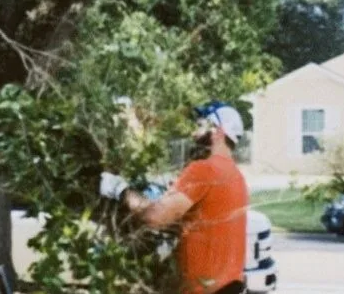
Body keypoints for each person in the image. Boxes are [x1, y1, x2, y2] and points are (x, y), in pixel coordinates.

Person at [99, 101, 249, 294]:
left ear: (217, 130)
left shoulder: (204, 169)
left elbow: (155, 218)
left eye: (201, 124)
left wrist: (120, 190)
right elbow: (198, 225)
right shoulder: (236, 177)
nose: (194, 131)